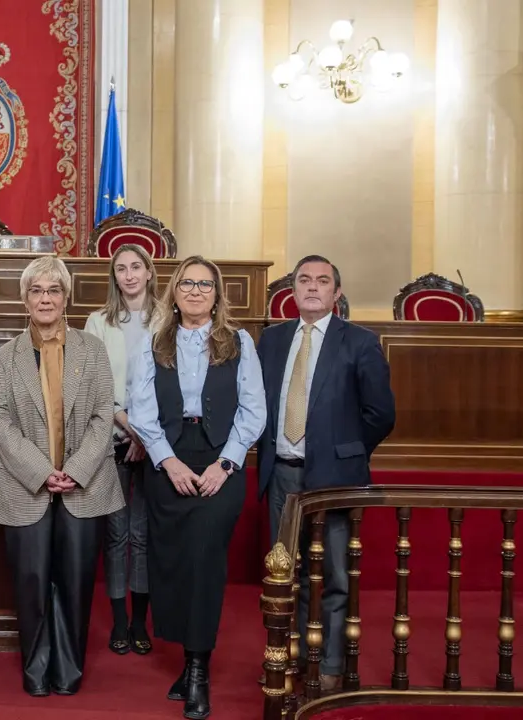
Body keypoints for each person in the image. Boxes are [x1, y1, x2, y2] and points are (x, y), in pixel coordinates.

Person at [128, 255, 266, 720]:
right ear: (174, 291)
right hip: (169, 456)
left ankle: (198, 671)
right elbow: (141, 410)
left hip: (219, 458)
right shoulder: (155, 340)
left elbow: (253, 411)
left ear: (217, 293)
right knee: (172, 562)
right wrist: (168, 461)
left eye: (204, 284)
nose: (194, 291)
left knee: (205, 560)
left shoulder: (239, 341)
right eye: (186, 283)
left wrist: (226, 464)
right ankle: (188, 659)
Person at [0, 255, 124, 697]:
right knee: (30, 583)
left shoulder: (92, 349)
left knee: (77, 581)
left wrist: (76, 470)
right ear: (24, 299)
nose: (45, 298)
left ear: (66, 298)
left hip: (87, 486)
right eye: (36, 291)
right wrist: (43, 472)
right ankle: (35, 669)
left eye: (54, 290)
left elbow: (105, 414)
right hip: (24, 488)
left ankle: (68, 671)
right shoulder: (5, 356)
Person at [256, 254, 395, 693]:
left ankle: (331, 664)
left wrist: (347, 453)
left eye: (322, 281)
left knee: (334, 575)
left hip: (336, 478)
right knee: (287, 573)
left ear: (337, 293)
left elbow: (381, 414)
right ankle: (291, 656)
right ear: (292, 291)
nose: (312, 287)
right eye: (303, 280)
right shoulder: (272, 341)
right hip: (282, 474)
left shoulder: (360, 342)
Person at [82, 244, 162, 656]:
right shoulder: (97, 322)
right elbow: (95, 385)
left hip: (157, 446)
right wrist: (130, 429)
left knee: (142, 535)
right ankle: (117, 622)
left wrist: (147, 437)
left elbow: (175, 384)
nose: (129, 275)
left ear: (149, 272)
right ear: (114, 277)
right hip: (112, 439)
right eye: (120, 269)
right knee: (115, 535)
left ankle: (138, 621)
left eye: (136, 267)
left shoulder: (170, 319)